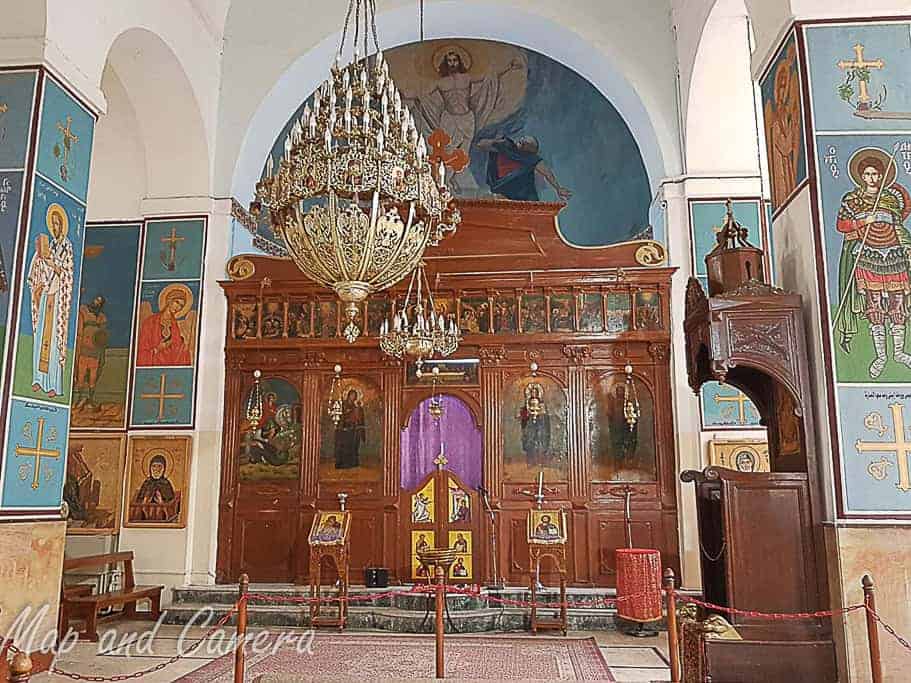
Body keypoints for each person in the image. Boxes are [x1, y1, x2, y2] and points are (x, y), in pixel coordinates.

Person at [835, 150, 911, 378]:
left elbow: (899, 224)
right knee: (874, 304)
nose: (872, 178)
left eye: (876, 174)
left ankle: (899, 352)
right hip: (868, 255)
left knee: (898, 303)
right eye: (867, 174)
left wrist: (906, 245)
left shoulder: (889, 199)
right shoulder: (852, 199)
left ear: (881, 176)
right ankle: (880, 356)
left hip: (894, 255)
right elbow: (842, 225)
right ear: (861, 176)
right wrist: (862, 220)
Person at [28, 203, 74, 398]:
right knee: (40, 336)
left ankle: (54, 384)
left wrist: (53, 265)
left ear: (62, 225)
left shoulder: (67, 246)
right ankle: (38, 379)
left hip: (58, 298)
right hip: (47, 292)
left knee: (55, 339)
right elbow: (41, 267)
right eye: (53, 224)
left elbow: (67, 272)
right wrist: (40, 260)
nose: (55, 228)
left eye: (57, 224)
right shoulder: (50, 245)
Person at [477, 135, 572, 202]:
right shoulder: (507, 146)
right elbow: (480, 145)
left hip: (523, 193)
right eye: (522, 139)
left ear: (529, 149)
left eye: (525, 142)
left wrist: (558, 188)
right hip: (501, 185)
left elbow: (547, 173)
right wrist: (495, 141)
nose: (521, 141)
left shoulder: (531, 158)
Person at [137, 285, 193, 366]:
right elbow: (142, 351)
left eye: (181, 306)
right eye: (177, 302)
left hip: (169, 363)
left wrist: (183, 348)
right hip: (154, 363)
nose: (178, 307)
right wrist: (157, 349)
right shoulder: (150, 322)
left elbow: (177, 350)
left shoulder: (174, 326)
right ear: (169, 300)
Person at [74, 295, 108, 410]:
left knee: (93, 377)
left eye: (100, 302)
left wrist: (102, 351)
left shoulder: (102, 317)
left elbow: (103, 336)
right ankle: (79, 399)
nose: (97, 303)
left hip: (95, 353)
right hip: (84, 350)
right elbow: (79, 330)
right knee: (81, 376)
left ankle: (90, 399)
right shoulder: (83, 311)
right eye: (96, 300)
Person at [133, 454, 177, 522]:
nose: (156, 469)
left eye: (159, 466)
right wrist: (146, 499)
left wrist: (161, 501)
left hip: (162, 516)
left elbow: (171, 503)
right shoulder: (147, 483)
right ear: (150, 468)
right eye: (154, 466)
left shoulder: (166, 484)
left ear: (164, 469)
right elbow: (138, 501)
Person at [518, 383, 551, 467]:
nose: (533, 394)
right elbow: (524, 415)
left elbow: (544, 416)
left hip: (539, 425)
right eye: (532, 392)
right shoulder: (527, 403)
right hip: (530, 425)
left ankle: (540, 461)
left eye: (535, 392)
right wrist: (526, 414)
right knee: (529, 442)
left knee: (539, 442)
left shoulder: (541, 404)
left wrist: (539, 415)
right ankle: (530, 461)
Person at [334, 389, 365, 469]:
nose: (353, 397)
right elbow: (340, 416)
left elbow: (358, 418)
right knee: (344, 446)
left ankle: (351, 463)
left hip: (352, 429)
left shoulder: (355, 407)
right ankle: (342, 464)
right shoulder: (343, 405)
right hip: (344, 430)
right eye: (352, 395)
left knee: (352, 446)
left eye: (355, 396)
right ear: (348, 395)